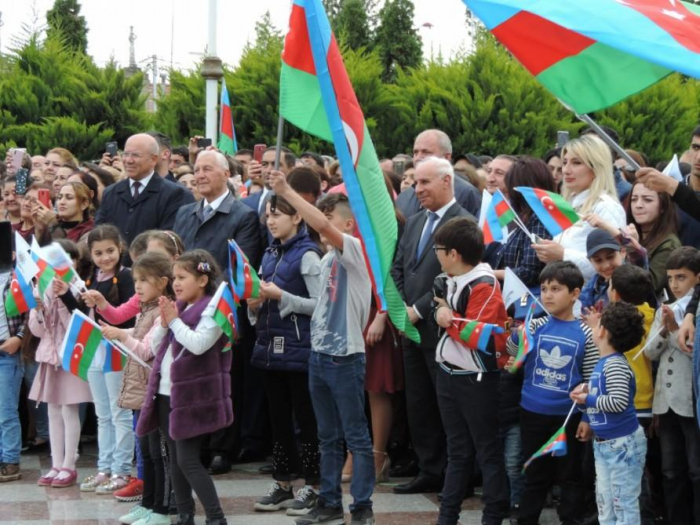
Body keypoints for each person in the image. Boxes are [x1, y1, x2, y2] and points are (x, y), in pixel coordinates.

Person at [269, 168, 375, 525]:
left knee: (356, 437)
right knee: (327, 436)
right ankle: (329, 502)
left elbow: (320, 224)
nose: (321, 223)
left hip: (346, 358)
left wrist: (287, 190)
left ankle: (362, 506)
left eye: (329, 218)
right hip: (319, 357)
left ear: (347, 225)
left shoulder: (355, 251)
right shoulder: (326, 258)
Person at [390, 157, 474, 495]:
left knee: (448, 408)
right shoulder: (414, 222)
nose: (418, 189)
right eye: (415, 183)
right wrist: (399, 309)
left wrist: (418, 309)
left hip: (443, 330)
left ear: (446, 181)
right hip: (410, 329)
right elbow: (400, 266)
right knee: (419, 404)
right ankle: (430, 469)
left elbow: (455, 274)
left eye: (425, 183)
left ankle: (458, 477)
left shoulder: (464, 222)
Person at [136, 250, 231, 525]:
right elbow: (156, 348)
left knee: (188, 459)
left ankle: (216, 517)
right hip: (167, 392)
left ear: (202, 280)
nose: (176, 283)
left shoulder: (213, 309)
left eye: (182, 277)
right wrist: (166, 325)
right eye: (174, 277)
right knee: (176, 458)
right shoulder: (180, 307)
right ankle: (184, 513)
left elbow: (199, 344)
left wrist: (174, 320)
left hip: (194, 398)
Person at [431, 217, 510, 525]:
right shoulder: (450, 278)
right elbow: (441, 309)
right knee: (457, 450)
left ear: (453, 253)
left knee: (486, 450)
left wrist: (445, 317)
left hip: (477, 378)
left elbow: (480, 335)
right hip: (448, 373)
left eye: (438, 249)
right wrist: (441, 311)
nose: (435, 255)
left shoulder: (484, 283)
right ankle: (447, 516)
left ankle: (492, 517)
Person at [506, 261, 598, 525]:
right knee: (535, 474)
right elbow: (513, 354)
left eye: (556, 289)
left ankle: (570, 519)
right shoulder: (535, 326)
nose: (547, 294)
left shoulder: (586, 333)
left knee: (570, 476)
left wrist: (587, 418)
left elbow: (591, 378)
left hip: (567, 418)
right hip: (532, 413)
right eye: (544, 288)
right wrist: (515, 334)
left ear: (575, 293)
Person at [248, 195, 323, 516]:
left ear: (297, 218)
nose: (270, 220)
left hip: (300, 349)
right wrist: (255, 304)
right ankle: (282, 482)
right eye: (267, 214)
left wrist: (283, 296)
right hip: (269, 347)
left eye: (277, 214)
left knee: (306, 421)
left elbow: (321, 305)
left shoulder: (308, 255)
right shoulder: (269, 253)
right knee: (278, 420)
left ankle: (314, 484)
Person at [97, 252, 174, 525]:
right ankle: (149, 504)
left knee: (158, 454)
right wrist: (119, 332)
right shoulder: (146, 309)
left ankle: (163, 510)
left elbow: (147, 350)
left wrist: (121, 336)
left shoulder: (164, 311)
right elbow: (138, 336)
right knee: (147, 453)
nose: (137, 285)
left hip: (154, 393)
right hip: (141, 392)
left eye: (144, 280)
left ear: (163, 282)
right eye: (136, 279)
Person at [571, 301, 647, 525]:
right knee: (605, 502)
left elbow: (618, 402)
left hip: (622, 445)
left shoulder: (614, 364)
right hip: (604, 444)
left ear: (602, 330)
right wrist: (583, 400)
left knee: (623, 503)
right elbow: (601, 404)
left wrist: (588, 397)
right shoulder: (603, 363)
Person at [28, 240, 92, 488]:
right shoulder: (43, 289)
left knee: (69, 410)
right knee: (52, 410)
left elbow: (76, 327)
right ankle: (56, 464)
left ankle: (69, 464)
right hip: (49, 357)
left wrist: (63, 298)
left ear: (75, 263)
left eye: (66, 260)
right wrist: (39, 309)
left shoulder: (79, 290)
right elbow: (37, 331)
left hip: (70, 357)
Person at [77, 225, 136, 495]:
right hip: (93, 349)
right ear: (90, 254)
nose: (105, 258)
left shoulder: (126, 277)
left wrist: (102, 305)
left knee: (119, 413)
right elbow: (80, 314)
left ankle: (122, 469)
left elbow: (127, 314)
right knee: (102, 414)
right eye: (98, 253)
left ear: (120, 249)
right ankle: (104, 467)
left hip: (117, 349)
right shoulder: (89, 277)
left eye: (110, 251)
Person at [644, 247, 700, 524]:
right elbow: (650, 353)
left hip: (690, 402)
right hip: (665, 403)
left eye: (682, 277)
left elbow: (694, 351)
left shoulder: (695, 311)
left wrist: (677, 328)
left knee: (695, 470)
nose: (675, 284)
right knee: (670, 470)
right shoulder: (665, 308)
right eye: (670, 278)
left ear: (697, 278)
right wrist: (665, 328)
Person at [532, 135, 626, 282]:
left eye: (576, 163)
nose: (566, 170)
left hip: (592, 301)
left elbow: (614, 267)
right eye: (565, 162)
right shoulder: (569, 203)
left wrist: (563, 255)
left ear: (596, 167)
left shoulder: (607, 206)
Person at [95, 133, 193, 250]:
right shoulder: (111, 193)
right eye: (126, 154)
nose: (128, 160)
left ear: (153, 159)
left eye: (136, 155)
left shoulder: (174, 194)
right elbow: (99, 234)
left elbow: (169, 241)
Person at [172, 150, 260, 269]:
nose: (200, 175)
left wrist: (204, 286)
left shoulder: (245, 216)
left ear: (226, 174)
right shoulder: (184, 213)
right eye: (196, 170)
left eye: (207, 169)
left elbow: (238, 269)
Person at [493, 157, 555, 286]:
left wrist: (489, 273)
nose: (508, 192)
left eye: (510, 186)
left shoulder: (540, 219)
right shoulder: (524, 217)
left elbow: (531, 272)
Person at [396, 130, 481, 219]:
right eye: (415, 152)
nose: (418, 158)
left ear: (446, 157)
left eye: (426, 152)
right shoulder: (404, 197)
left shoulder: (467, 193)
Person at [0, 259, 29, 483]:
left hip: (8, 352)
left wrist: (19, 338)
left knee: (6, 411)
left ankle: (10, 461)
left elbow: (32, 315)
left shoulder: (17, 279)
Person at [625, 181, 681, 297]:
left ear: (662, 207)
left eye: (647, 199)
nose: (638, 205)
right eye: (634, 199)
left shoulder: (669, 244)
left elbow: (649, 286)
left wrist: (635, 250)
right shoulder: (629, 234)